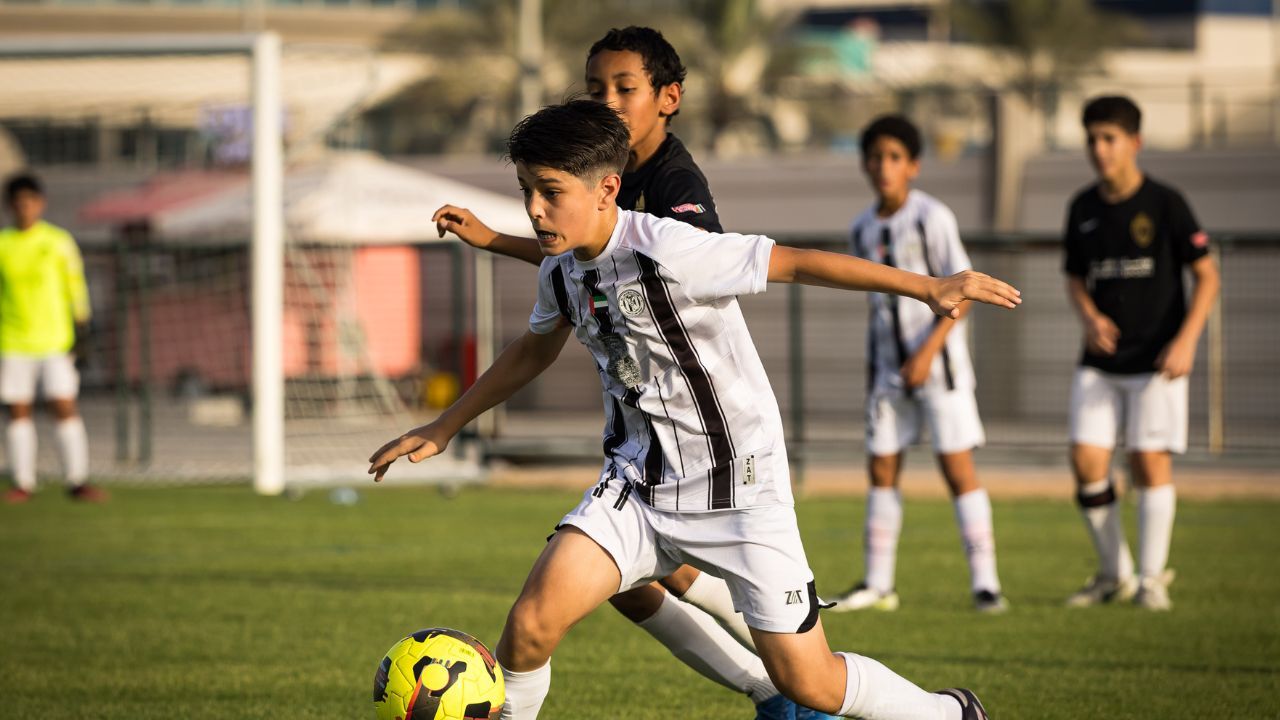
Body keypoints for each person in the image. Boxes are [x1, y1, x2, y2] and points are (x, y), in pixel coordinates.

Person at [374, 100, 1021, 718]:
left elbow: (795, 263)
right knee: (532, 623)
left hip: (738, 484)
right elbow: (532, 351)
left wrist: (929, 287)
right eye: (526, 192)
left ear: (606, 189)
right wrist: (444, 424)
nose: (536, 211)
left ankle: (948, 712)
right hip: (637, 484)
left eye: (550, 192)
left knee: (813, 683)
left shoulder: (668, 246)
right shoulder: (563, 269)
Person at [435, 26, 825, 720]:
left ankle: (783, 684)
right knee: (616, 583)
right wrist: (498, 240)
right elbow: (588, 263)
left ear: (668, 98)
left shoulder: (675, 187)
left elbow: (658, 269)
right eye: (595, 89)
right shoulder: (593, 170)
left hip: (709, 440)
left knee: (780, 657)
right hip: (642, 436)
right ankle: (771, 684)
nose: (608, 102)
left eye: (625, 89)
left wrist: (502, 243)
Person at [825, 115, 1006, 615]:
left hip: (940, 368)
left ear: (913, 166)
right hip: (887, 370)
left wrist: (927, 352)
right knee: (882, 467)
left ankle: (986, 584)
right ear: (865, 164)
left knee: (956, 468)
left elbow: (963, 292)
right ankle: (879, 584)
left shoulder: (933, 218)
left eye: (895, 158)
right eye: (876, 157)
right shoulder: (862, 228)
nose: (884, 167)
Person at [1061, 95, 1219, 611]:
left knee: (1148, 462)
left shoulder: (1166, 203)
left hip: (1157, 360)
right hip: (1101, 362)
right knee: (1086, 460)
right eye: (1092, 139)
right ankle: (1114, 574)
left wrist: (1187, 339)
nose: (1099, 149)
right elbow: (1074, 276)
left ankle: (1152, 580)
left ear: (1135, 142)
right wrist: (1088, 315)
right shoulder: (1082, 208)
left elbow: (1207, 274)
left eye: (1109, 138)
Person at [1, 173, 103, 503]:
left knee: (64, 406)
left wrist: (82, 329)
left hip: (56, 341)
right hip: (13, 342)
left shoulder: (58, 241)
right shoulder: (3, 244)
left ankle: (77, 480)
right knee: (18, 411)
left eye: (30, 201)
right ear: (10, 206)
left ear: (40, 204)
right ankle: (23, 483)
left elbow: (76, 286)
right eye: (19, 202)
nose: (25, 208)